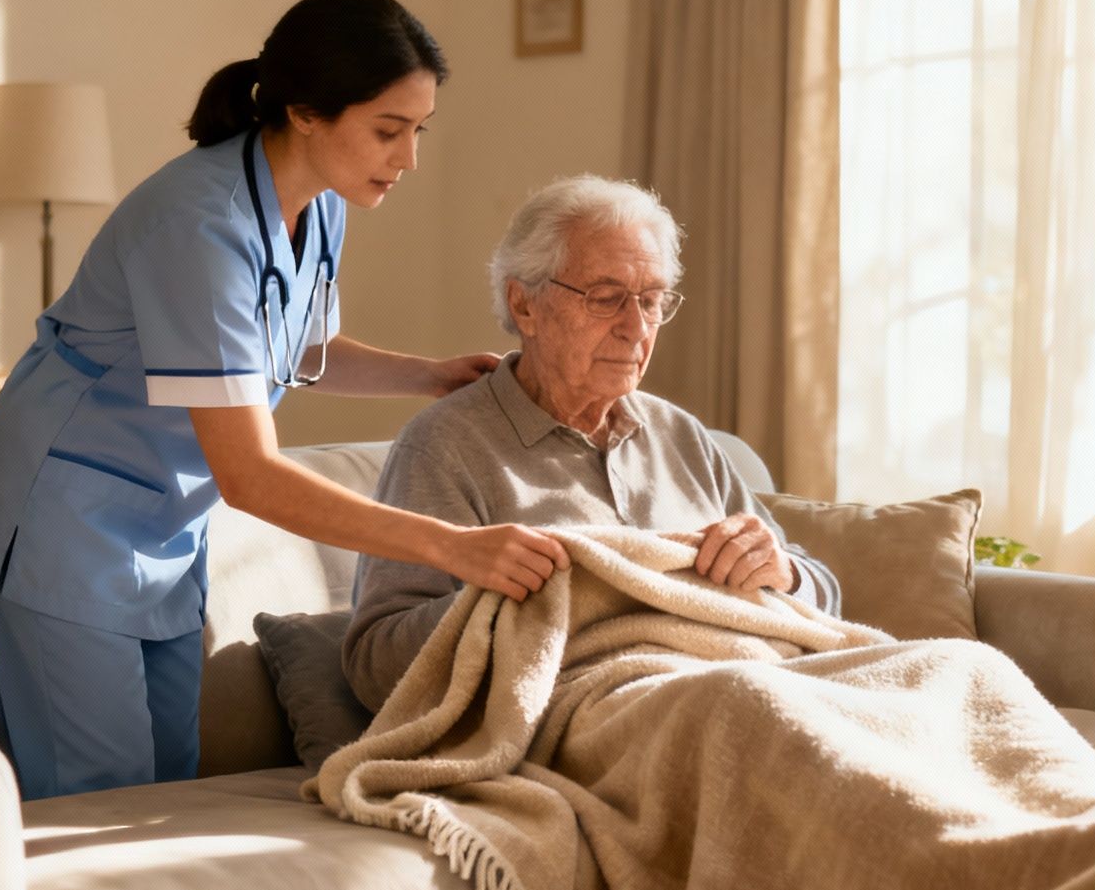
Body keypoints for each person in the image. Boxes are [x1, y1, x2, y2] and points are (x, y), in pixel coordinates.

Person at [0, 0, 571, 800]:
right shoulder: (196, 224)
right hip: (63, 522)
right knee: (97, 800)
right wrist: (449, 547)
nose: (409, 157)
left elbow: (290, 347)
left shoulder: (318, 209)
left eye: (418, 130)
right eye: (389, 130)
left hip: (163, 528)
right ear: (307, 111)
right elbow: (248, 473)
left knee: (169, 794)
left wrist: (426, 374)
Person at [345, 175, 840, 709]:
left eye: (652, 301)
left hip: (753, 683)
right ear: (524, 306)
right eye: (606, 298)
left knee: (932, 676)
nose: (636, 328)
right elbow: (377, 666)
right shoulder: (446, 446)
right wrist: (511, 604)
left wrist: (786, 574)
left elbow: (825, 599)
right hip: (611, 711)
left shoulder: (680, 436)